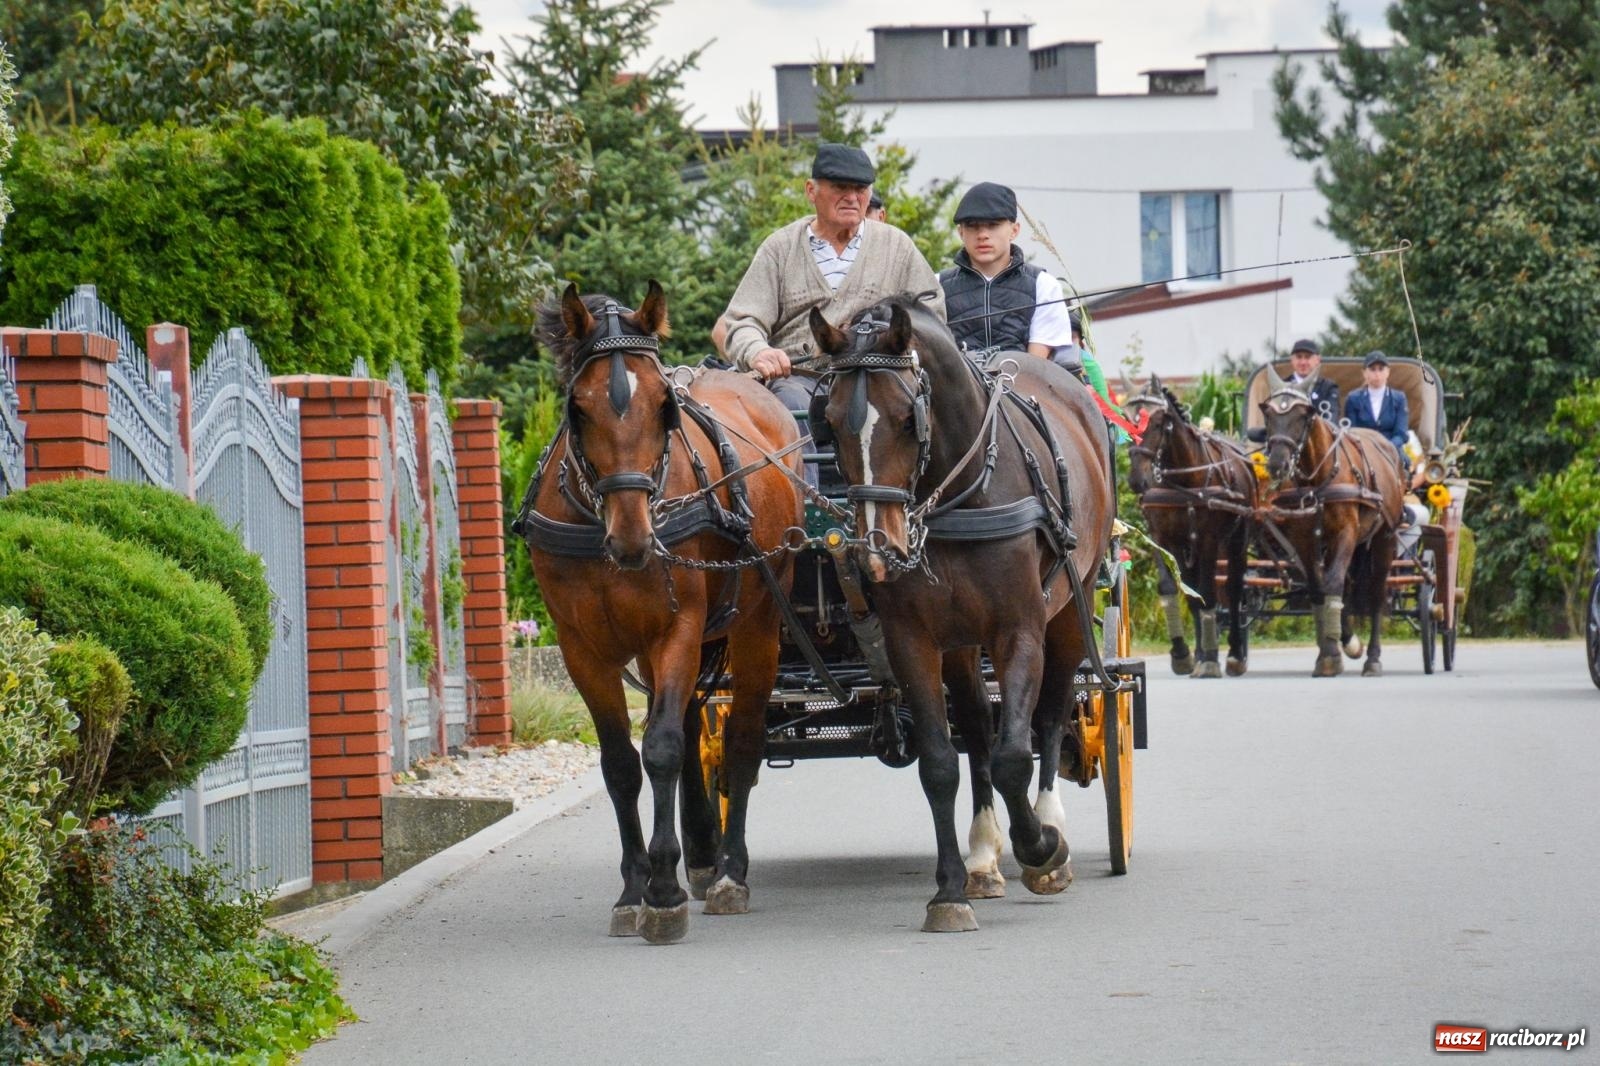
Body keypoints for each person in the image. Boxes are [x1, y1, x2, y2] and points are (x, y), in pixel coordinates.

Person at [721, 142, 944, 412]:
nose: (852, 197)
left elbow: (931, 314)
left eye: (860, 189)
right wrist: (758, 351)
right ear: (811, 191)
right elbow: (742, 321)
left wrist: (895, 346)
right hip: (798, 380)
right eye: (840, 187)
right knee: (788, 406)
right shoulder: (779, 248)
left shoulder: (897, 246)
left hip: (877, 378)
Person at [937, 181, 1073, 359]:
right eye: (972, 226)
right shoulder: (936, 286)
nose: (982, 235)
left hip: (1022, 382)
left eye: (993, 225)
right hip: (956, 385)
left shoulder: (1044, 285)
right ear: (961, 232)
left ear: (1014, 230)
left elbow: (1037, 367)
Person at [1248, 338, 1338, 442]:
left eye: (1308, 357)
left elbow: (1331, 420)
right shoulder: (1281, 387)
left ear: (1317, 360)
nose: (1303, 362)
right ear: (1292, 360)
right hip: (1285, 442)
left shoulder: (1328, 387)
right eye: (1299, 357)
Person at [1343, 350, 1410, 460]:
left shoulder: (1399, 398)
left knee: (1406, 467)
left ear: (1388, 372)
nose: (1377, 374)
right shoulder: (1353, 398)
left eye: (1381, 369)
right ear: (1364, 373)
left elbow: (1401, 434)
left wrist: (1386, 447)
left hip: (1391, 451)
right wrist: (1368, 448)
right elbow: (1351, 431)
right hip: (1362, 451)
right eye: (1372, 369)